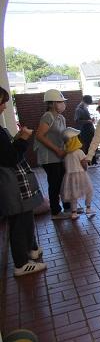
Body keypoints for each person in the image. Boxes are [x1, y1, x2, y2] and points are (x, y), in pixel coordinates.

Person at [0, 87, 47, 276]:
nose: (4, 106)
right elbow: (9, 158)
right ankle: (21, 263)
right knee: (18, 221)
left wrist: (17, 138)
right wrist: (23, 140)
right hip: (10, 183)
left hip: (15, 181)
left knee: (25, 216)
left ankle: (30, 249)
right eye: (2, 102)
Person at [34, 89, 71, 219]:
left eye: (62, 101)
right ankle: (55, 212)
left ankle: (68, 207)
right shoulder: (48, 116)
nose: (62, 104)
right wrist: (56, 149)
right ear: (51, 103)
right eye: (59, 101)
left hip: (59, 156)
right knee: (55, 183)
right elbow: (39, 135)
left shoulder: (61, 118)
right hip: (49, 157)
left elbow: (64, 135)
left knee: (63, 182)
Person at [60, 128, 94, 220]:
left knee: (73, 195)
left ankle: (74, 212)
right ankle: (88, 208)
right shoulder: (79, 152)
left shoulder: (66, 154)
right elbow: (84, 163)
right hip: (81, 174)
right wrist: (85, 168)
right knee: (89, 190)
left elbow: (64, 165)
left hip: (69, 176)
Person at [74, 95, 99, 167]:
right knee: (89, 146)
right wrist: (88, 121)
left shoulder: (84, 107)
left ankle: (93, 162)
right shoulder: (79, 109)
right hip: (85, 131)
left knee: (92, 146)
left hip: (89, 130)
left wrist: (90, 120)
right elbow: (77, 121)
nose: (89, 105)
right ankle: (90, 163)